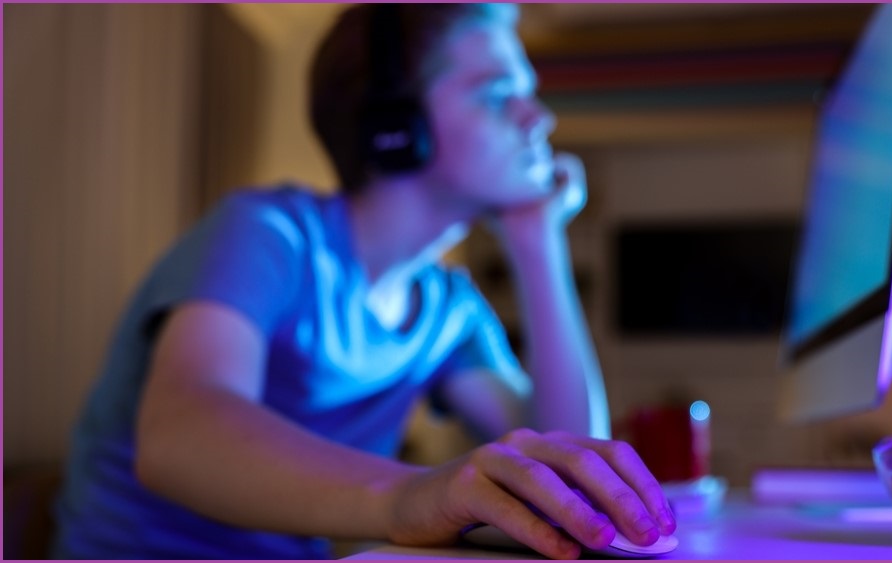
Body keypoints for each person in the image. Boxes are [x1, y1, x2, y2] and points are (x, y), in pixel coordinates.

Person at [51, 3, 676, 559]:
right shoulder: (272, 236)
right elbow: (179, 437)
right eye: (495, 93)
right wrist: (411, 495)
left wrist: (539, 241)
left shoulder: (447, 310)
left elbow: (572, 474)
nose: (537, 116)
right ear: (395, 124)